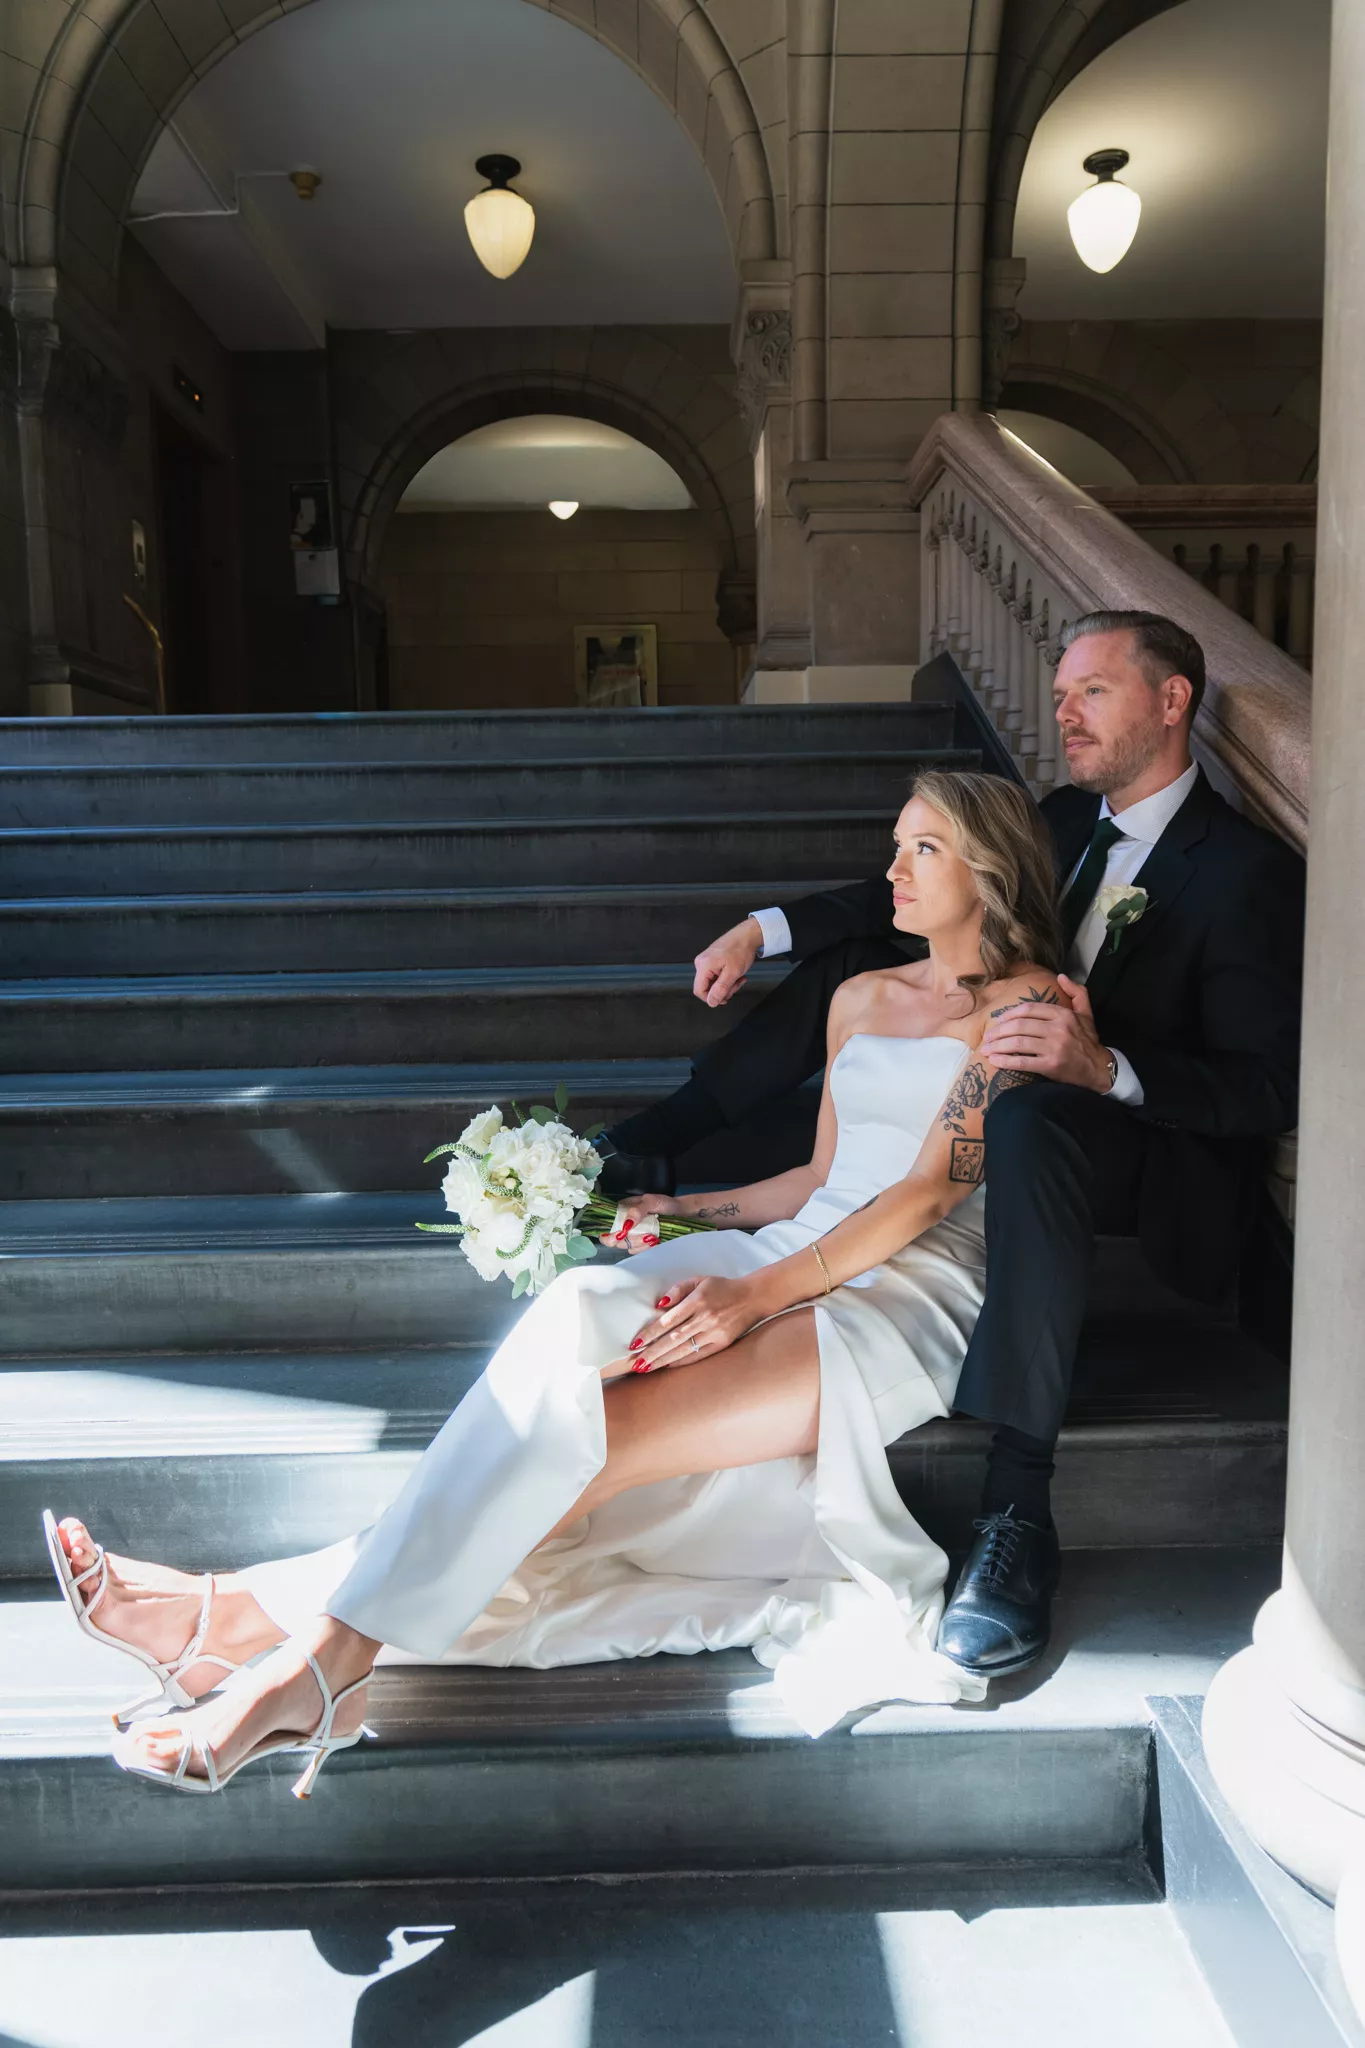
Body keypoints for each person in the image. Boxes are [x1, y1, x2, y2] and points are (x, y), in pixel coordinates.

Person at [45, 770, 1064, 1796]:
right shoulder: (856, 996)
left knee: (595, 1442)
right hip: (793, 1238)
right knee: (574, 1310)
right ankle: (289, 1644)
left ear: (987, 864)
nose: (891, 869)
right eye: (895, 843)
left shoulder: (1023, 1005)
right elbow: (815, 1180)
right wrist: (677, 1215)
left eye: (922, 848)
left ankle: (286, 1644)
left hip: (906, 1289)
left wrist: (755, 1297)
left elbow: (927, 1192)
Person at [600, 611, 1304, 1678]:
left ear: (1172, 703)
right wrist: (768, 925)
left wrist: (1103, 1065)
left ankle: (1017, 1505)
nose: (1061, 711)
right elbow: (925, 887)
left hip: (1130, 1142)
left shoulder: (1246, 871)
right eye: (1059, 692)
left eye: (1091, 692)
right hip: (986, 1112)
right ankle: (650, 1143)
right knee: (864, 973)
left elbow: (1269, 1085)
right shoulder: (1066, 817)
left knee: (1024, 1115)